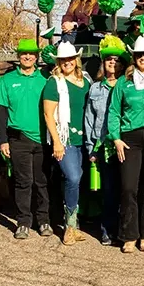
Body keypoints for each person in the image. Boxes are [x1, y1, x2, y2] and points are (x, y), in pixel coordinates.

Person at [107, 35, 144, 253]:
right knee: (128, 187)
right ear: (134, 57)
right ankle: (129, 235)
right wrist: (116, 137)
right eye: (139, 54)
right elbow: (114, 111)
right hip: (129, 138)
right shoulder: (124, 82)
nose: (143, 58)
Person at [0, 38, 51, 240]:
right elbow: (0, 112)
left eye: (32, 54)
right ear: (19, 57)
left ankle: (43, 220)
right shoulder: (7, 80)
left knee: (42, 181)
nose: (28, 57)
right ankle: (23, 222)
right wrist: (3, 140)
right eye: (24, 54)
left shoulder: (45, 79)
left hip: (42, 139)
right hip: (18, 138)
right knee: (22, 182)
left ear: (36, 57)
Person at [42, 42, 91, 245]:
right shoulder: (54, 83)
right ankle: (70, 225)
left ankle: (75, 222)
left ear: (76, 60)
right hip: (65, 139)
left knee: (79, 180)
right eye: (63, 60)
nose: (67, 62)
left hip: (84, 138)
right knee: (73, 176)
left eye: (70, 59)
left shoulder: (85, 81)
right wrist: (56, 141)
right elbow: (48, 114)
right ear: (58, 62)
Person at [84, 35, 128, 246]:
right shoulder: (95, 89)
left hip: (125, 144)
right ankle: (107, 230)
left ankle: (126, 230)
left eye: (117, 60)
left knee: (127, 189)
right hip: (103, 145)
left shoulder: (128, 86)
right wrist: (91, 149)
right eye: (109, 59)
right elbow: (89, 120)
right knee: (109, 191)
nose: (112, 62)